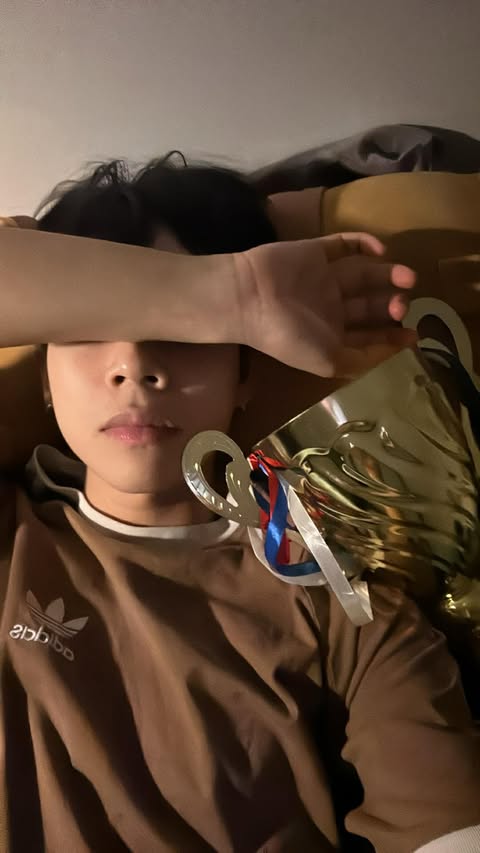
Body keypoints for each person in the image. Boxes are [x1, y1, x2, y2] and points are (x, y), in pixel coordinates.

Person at [0, 156, 478, 853]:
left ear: (245, 371)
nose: (134, 362)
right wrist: (228, 294)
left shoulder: (333, 598)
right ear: (43, 376)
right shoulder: (12, 540)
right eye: (89, 329)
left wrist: (241, 297)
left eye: (184, 332)